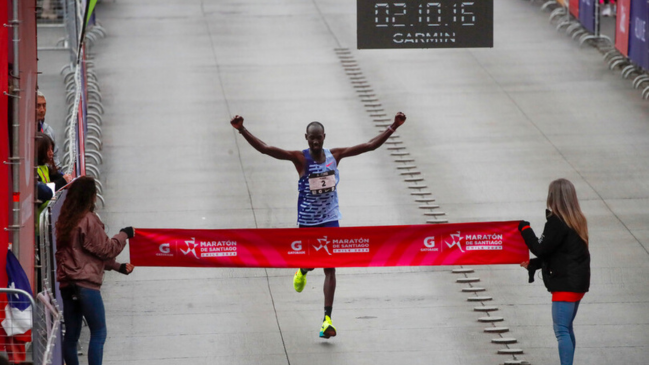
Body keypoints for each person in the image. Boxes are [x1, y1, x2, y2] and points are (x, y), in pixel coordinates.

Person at [230, 112, 407, 339]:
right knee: (311, 263)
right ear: (306, 137)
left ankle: (327, 320)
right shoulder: (300, 158)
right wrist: (242, 129)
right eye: (311, 138)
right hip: (307, 223)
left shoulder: (335, 156)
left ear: (324, 137)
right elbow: (266, 149)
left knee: (330, 267)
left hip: (331, 220)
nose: (315, 142)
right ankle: (303, 269)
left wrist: (394, 125)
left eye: (319, 138)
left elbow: (370, 146)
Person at [55, 176, 135, 365]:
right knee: (98, 332)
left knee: (72, 337)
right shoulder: (89, 220)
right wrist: (124, 234)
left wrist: (117, 267)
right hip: (86, 286)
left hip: (67, 284)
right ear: (90, 197)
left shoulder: (65, 221)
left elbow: (82, 255)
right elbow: (106, 248)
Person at [519, 178, 590, 365]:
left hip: (565, 284)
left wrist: (524, 229)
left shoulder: (556, 222)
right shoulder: (578, 220)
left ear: (553, 197)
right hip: (577, 283)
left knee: (561, 330)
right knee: (567, 328)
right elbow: (560, 252)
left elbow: (540, 248)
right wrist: (534, 264)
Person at [37, 90, 60, 167]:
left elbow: (55, 158)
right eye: (38, 106)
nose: (42, 110)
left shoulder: (49, 130)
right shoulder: (22, 132)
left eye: (44, 105)